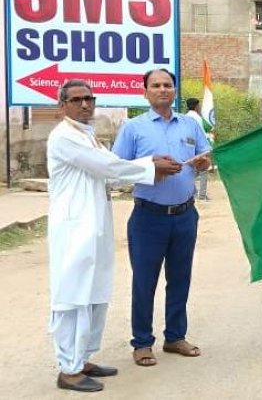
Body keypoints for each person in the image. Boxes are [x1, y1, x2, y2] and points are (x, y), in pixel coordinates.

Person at [46, 80, 180, 392]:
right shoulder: (64, 137)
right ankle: (68, 368)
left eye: (89, 99)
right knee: (72, 298)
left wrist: (151, 168)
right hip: (73, 229)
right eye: (77, 99)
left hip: (95, 226)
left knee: (95, 293)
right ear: (61, 105)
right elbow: (108, 167)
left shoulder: (88, 136)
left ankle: (82, 358)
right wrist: (150, 166)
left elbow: (109, 172)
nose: (85, 105)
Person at [113, 68, 212, 367]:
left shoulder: (190, 125)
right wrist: (150, 166)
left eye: (168, 85)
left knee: (180, 278)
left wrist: (204, 162)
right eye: (155, 85)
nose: (162, 90)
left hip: (184, 215)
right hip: (148, 218)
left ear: (175, 90)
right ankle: (142, 342)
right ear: (145, 92)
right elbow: (117, 168)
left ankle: (175, 336)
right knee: (145, 282)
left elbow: (205, 160)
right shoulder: (133, 128)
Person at [184, 97, 212, 201]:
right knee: (203, 170)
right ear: (196, 106)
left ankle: (192, 193)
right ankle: (202, 195)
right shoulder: (197, 118)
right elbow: (201, 135)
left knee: (190, 169)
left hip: (188, 146)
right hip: (198, 146)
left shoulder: (184, 117)